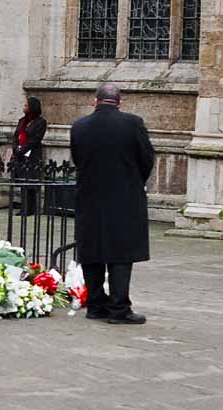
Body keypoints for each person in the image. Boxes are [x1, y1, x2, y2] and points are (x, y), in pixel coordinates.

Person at [70, 83, 155, 325]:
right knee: (121, 252)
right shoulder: (133, 123)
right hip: (124, 197)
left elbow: (77, 159)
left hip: (89, 195)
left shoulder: (79, 126)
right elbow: (147, 158)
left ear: (95, 101)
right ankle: (119, 308)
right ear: (120, 102)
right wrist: (133, 180)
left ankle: (96, 305)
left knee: (92, 249)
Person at [10, 96, 47, 216]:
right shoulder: (22, 121)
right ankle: (24, 207)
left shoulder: (41, 122)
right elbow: (16, 136)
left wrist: (24, 149)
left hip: (32, 155)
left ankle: (31, 208)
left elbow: (36, 139)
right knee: (22, 180)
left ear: (32, 107)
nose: (24, 107)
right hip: (20, 155)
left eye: (26, 105)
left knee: (31, 181)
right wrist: (16, 147)